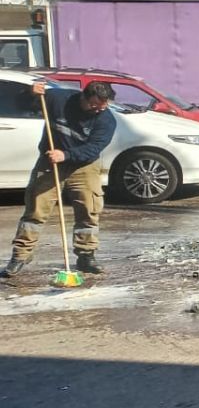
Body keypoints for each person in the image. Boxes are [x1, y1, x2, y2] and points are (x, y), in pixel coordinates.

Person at [2, 80, 117, 279]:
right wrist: (30, 93)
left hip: (84, 166)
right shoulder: (57, 99)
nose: (98, 110)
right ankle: (20, 256)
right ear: (84, 97)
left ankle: (86, 256)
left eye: (103, 107)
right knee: (36, 209)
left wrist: (66, 155)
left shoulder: (106, 120)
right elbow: (22, 105)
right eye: (94, 105)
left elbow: (93, 149)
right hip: (50, 162)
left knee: (89, 210)